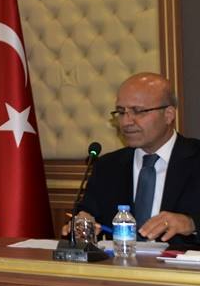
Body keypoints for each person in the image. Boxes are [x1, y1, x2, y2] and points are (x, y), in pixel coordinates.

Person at [66, 73, 200, 246]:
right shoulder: (107, 166)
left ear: (168, 114)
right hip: (119, 262)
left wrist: (191, 223)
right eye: (121, 112)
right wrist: (82, 223)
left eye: (138, 111)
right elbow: (88, 215)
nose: (126, 122)